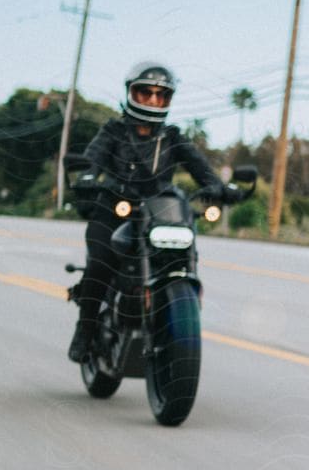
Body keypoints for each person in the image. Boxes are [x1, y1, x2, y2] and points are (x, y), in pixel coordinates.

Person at [68, 62, 224, 362]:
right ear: (131, 93)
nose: (153, 100)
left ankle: (181, 312)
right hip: (115, 210)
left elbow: (202, 169)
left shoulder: (173, 137)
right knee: (100, 262)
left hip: (159, 214)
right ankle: (85, 330)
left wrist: (219, 187)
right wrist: (86, 177)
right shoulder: (113, 131)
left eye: (160, 95)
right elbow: (92, 160)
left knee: (184, 251)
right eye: (145, 93)